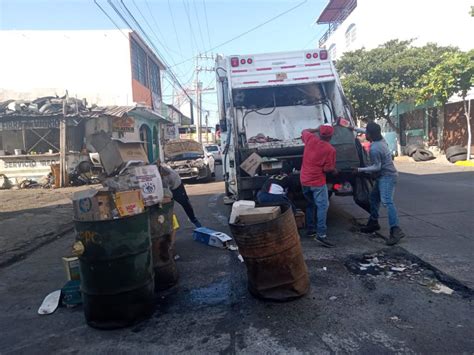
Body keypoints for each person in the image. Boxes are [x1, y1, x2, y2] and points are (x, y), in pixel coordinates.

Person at [354, 122, 405, 245]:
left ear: (370, 134)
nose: (364, 134)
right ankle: (373, 222)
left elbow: (376, 167)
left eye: (366, 132)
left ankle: (396, 229)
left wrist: (359, 170)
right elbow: (369, 131)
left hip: (387, 176)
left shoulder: (375, 148)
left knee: (387, 201)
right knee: (373, 198)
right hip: (384, 175)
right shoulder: (381, 140)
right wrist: (353, 128)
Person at [300, 124, 337, 247]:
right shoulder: (330, 149)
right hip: (317, 182)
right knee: (323, 206)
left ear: (319, 134)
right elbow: (328, 169)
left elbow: (304, 130)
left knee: (310, 204)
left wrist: (316, 129)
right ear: (331, 136)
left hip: (304, 180)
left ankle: (311, 229)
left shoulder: (310, 139)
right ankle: (321, 235)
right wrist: (334, 170)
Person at [157, 162, 202, 228]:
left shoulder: (167, 176)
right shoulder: (157, 173)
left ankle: (194, 220)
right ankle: (163, 223)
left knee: (185, 203)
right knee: (164, 206)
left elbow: (168, 194)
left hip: (177, 186)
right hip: (167, 187)